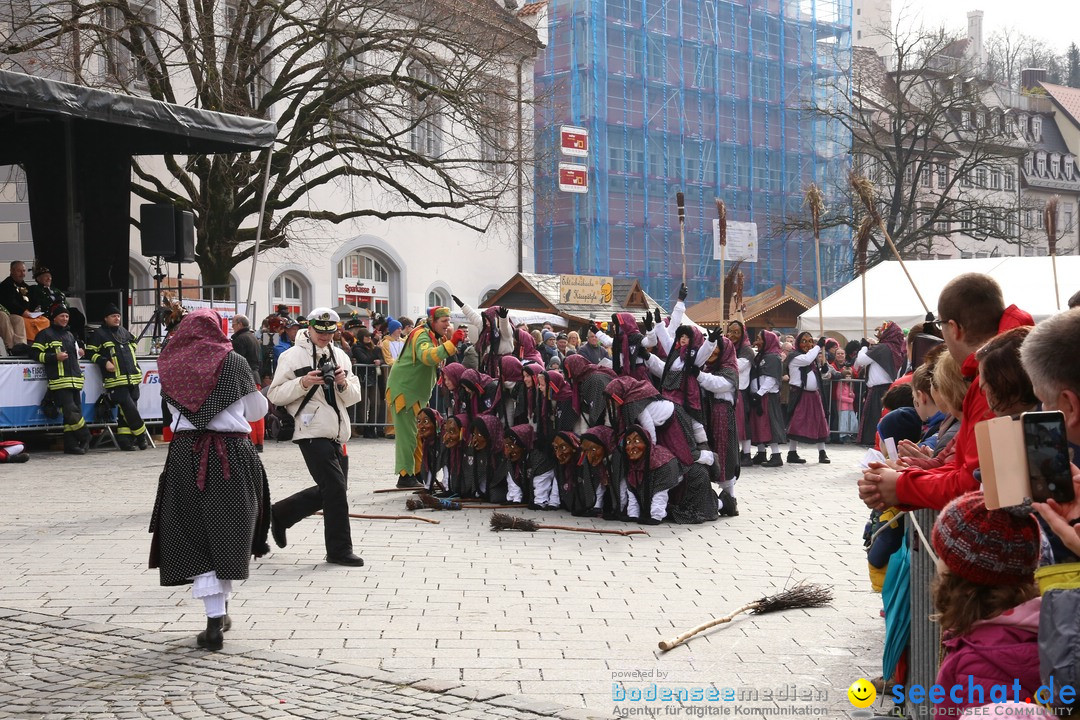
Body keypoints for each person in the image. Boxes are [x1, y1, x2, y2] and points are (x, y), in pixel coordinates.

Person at [150, 308, 272, 651]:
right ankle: (216, 618)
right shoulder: (232, 361)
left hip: (186, 453)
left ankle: (216, 617)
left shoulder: (169, 362)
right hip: (231, 452)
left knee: (194, 532)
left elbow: (170, 411)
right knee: (229, 529)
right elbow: (256, 411)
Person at [860, 274, 1033, 512]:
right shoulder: (1002, 369)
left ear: (954, 328)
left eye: (941, 326)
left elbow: (977, 485)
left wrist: (902, 485)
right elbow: (964, 467)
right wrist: (909, 475)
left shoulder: (998, 381)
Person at [267, 308, 365, 567]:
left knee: (335, 489)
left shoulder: (341, 355)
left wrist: (343, 383)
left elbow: (354, 396)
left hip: (337, 431)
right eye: (319, 331)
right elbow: (274, 395)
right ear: (309, 328)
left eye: (330, 331)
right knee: (334, 488)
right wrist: (304, 382)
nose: (324, 336)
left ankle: (281, 513)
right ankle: (339, 550)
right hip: (310, 430)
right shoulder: (291, 356)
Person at [929, 491, 1041, 715]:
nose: (938, 562)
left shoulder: (982, 663)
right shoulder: (1029, 627)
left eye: (942, 555)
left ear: (960, 571)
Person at [385, 305, 467, 488]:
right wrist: (451, 344)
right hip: (405, 392)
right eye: (444, 321)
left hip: (415, 393)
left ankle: (418, 473)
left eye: (448, 321)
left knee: (419, 435)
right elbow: (427, 357)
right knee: (409, 435)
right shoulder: (422, 334)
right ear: (433, 321)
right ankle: (405, 476)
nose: (448, 324)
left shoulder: (433, 336)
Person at [86, 303, 148, 451]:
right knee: (129, 408)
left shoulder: (124, 332)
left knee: (125, 411)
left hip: (133, 377)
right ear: (106, 318)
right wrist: (104, 361)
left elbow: (132, 345)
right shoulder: (99, 334)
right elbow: (90, 353)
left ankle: (125, 441)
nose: (117, 318)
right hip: (115, 379)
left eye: (118, 316)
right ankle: (141, 436)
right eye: (113, 316)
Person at [32, 302, 90, 454]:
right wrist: (54, 357)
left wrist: (80, 353)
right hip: (59, 380)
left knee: (72, 414)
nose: (65, 318)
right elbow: (35, 354)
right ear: (54, 318)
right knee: (71, 412)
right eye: (62, 316)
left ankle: (71, 446)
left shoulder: (70, 335)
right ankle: (85, 436)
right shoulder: (45, 334)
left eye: (67, 316)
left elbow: (74, 356)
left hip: (75, 379)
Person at [853, 322, 905, 446]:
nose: (879, 333)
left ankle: (874, 441)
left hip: (879, 390)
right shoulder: (894, 348)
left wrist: (864, 347)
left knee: (875, 417)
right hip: (888, 388)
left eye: (882, 331)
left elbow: (861, 360)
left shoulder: (882, 347)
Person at [784, 333, 831, 464]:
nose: (807, 344)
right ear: (798, 343)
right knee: (796, 422)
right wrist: (818, 347)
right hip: (799, 394)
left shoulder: (812, 360)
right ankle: (792, 453)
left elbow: (815, 373)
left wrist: (824, 369)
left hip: (814, 395)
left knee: (820, 422)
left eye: (810, 341)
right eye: (803, 341)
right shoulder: (795, 357)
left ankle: (822, 452)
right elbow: (806, 360)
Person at [749, 330, 786, 467]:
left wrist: (760, 393)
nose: (757, 341)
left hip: (767, 396)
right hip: (759, 395)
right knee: (759, 425)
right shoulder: (761, 356)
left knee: (771, 425)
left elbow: (771, 378)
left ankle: (776, 455)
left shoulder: (773, 357)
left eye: (759, 339)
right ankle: (761, 452)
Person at [229, 314, 264, 452]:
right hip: (255, 377)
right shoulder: (253, 337)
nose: (232, 327)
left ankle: (250, 442)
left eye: (233, 325)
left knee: (246, 411)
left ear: (240, 324)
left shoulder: (239, 340)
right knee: (257, 411)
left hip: (244, 378)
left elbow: (237, 362)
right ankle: (259, 442)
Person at [28, 264, 85, 340]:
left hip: (61, 311)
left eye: (50, 276)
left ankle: (79, 341)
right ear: (38, 279)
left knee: (76, 314)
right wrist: (53, 301)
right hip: (48, 313)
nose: (49, 278)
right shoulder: (35, 289)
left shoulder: (55, 290)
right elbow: (38, 302)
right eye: (46, 276)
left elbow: (66, 303)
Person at [1, 260, 50, 343]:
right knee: (19, 319)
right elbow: (9, 303)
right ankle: (20, 346)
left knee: (45, 320)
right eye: (19, 271)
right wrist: (23, 311)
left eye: (23, 271)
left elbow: (33, 302)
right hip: (14, 314)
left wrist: (36, 310)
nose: (22, 273)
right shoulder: (5, 285)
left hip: (29, 315)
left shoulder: (26, 286)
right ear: (12, 271)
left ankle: (42, 344)